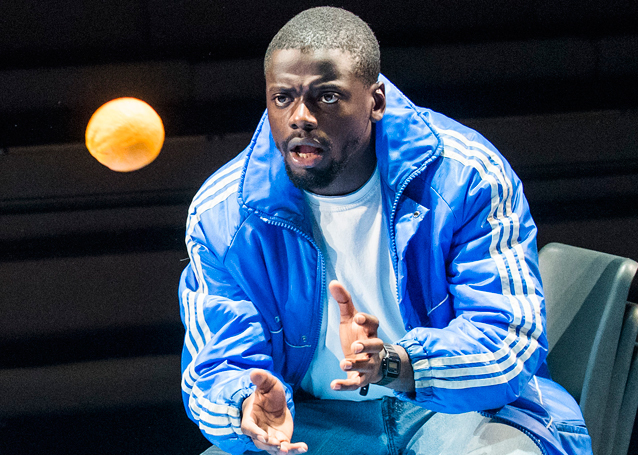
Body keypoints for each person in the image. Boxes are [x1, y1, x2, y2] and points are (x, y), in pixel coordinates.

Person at [179, 6, 592, 455]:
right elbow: (215, 366)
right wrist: (242, 406)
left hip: (461, 413)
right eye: (283, 98)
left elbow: (509, 340)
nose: (301, 116)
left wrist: (397, 364)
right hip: (316, 421)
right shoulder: (223, 214)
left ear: (375, 101)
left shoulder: (466, 175)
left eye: (327, 96)